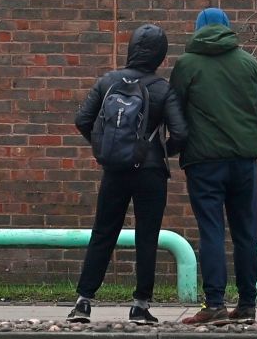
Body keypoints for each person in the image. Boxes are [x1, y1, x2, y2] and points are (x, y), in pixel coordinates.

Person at [68, 24, 187, 326]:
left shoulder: (108, 81)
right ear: (160, 56)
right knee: (146, 237)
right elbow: (181, 133)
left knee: (103, 233)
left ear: (131, 49)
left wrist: (105, 147)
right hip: (151, 172)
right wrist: (162, 151)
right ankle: (140, 306)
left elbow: (83, 119)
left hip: (115, 170)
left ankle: (83, 302)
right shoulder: (162, 89)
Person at [168, 7, 257, 326]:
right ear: (227, 28)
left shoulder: (186, 64)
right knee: (245, 232)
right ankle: (248, 305)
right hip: (244, 160)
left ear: (197, 29)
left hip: (204, 161)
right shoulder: (249, 62)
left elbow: (176, 112)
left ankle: (214, 304)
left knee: (211, 230)